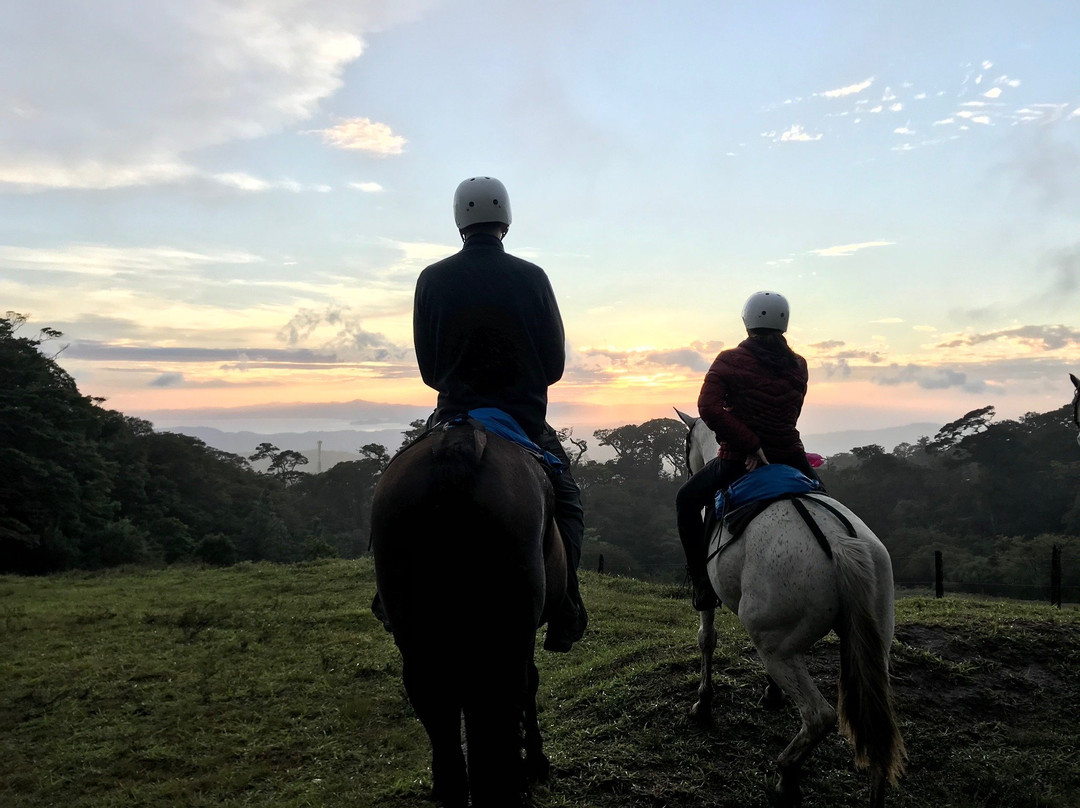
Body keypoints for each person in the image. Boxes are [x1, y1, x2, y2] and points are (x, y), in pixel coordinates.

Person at [410, 175, 587, 652]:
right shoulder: (532, 277)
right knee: (566, 502)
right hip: (522, 420)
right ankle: (566, 604)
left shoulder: (431, 278)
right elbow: (552, 366)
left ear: (459, 220)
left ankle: (390, 595)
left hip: (454, 415)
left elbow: (430, 371)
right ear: (505, 219)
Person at [676, 291, 818, 610]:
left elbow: (708, 408)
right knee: (825, 499)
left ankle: (701, 586)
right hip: (791, 455)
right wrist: (765, 441)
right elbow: (787, 413)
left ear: (747, 322)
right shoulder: (799, 365)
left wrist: (751, 445)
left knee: (685, 502)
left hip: (738, 459)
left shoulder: (728, 360)